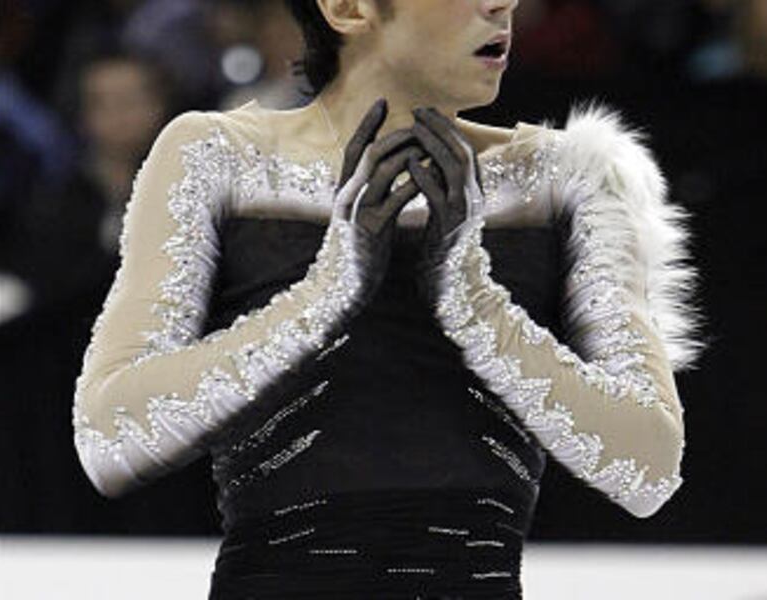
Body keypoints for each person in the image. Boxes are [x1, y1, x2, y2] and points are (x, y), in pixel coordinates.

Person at [71, 0, 705, 597]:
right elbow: (110, 440)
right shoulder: (218, 158)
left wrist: (472, 301)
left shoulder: (570, 178)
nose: (503, 3)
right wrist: (326, 294)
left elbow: (646, 469)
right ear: (347, 6)